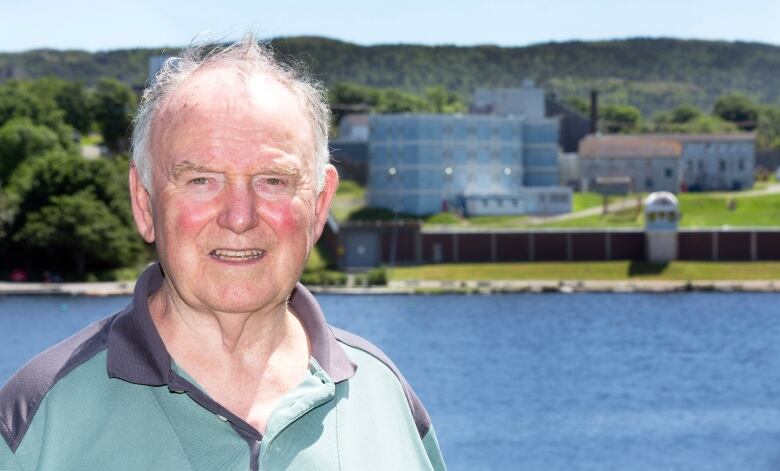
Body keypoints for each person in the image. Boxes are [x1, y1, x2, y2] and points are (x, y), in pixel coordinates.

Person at [0, 36, 446, 471]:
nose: (239, 217)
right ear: (144, 201)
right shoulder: (33, 420)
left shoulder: (386, 400)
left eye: (273, 181)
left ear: (319, 205)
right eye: (202, 181)